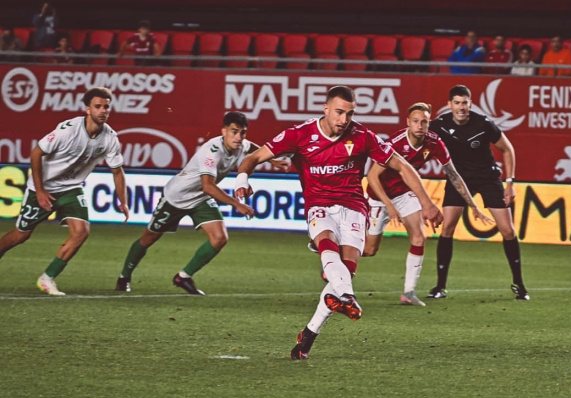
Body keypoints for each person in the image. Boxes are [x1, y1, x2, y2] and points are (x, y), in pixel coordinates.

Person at [233, 86, 443, 360]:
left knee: (345, 271)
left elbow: (402, 166)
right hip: (319, 205)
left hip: (354, 207)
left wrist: (427, 202)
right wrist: (242, 180)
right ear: (326, 109)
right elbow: (253, 158)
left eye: (350, 114)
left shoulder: (362, 136)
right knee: (326, 243)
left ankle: (309, 334)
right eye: (339, 112)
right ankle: (348, 296)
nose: (344, 120)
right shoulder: (300, 134)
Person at [0, 87, 129, 296]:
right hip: (43, 187)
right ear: (87, 109)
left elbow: (117, 171)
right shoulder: (68, 130)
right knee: (21, 235)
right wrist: (40, 191)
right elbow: (36, 153)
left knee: (81, 231)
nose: (103, 111)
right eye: (98, 106)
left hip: (71, 188)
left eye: (106, 107)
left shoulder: (110, 137)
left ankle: (47, 278)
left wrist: (123, 201)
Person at [115, 112, 257, 295]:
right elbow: (208, 186)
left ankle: (183, 277)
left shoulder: (240, 144)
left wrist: (273, 159)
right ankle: (124, 277)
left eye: (242, 132)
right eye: (234, 132)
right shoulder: (211, 151)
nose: (238, 137)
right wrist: (237, 204)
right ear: (224, 131)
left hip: (200, 199)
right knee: (149, 238)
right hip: (176, 197)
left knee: (219, 238)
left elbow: (253, 148)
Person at [364, 102, 492, 307]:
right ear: (408, 122)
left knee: (419, 237)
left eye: (424, 122)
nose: (420, 126)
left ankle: (408, 292)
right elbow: (372, 177)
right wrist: (389, 205)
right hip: (379, 197)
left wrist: (473, 205)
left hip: (405, 193)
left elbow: (454, 175)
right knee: (369, 250)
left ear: (429, 122)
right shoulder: (395, 143)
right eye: (415, 121)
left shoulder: (434, 143)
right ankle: (336, 253)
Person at [428, 85, 529, 301]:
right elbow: (420, 142)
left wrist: (510, 182)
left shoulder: (483, 124)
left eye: (464, 103)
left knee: (507, 230)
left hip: (487, 178)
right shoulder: (439, 125)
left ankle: (519, 284)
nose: (461, 107)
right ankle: (440, 287)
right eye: (457, 103)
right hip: (458, 180)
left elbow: (507, 149)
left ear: (470, 104)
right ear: (449, 105)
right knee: (447, 227)